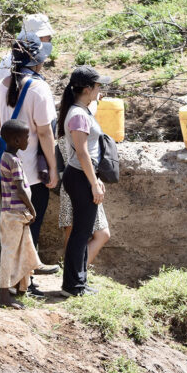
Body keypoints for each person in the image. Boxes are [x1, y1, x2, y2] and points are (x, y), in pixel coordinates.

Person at [0, 34, 60, 292]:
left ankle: (19, 281)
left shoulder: (0, 87)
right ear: (36, 62)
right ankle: (25, 282)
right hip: (31, 172)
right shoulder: (39, 89)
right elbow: (45, 133)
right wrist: (53, 168)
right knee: (32, 225)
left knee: (13, 231)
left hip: (5, 170)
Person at [57, 66, 112, 298]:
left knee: (82, 231)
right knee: (81, 233)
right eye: (98, 86)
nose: (101, 89)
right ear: (87, 89)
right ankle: (72, 285)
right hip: (80, 176)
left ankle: (79, 281)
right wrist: (93, 183)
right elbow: (81, 152)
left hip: (83, 176)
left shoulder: (82, 110)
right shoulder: (78, 114)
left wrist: (95, 179)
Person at [0, 120, 43, 309]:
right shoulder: (13, 161)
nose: (28, 139)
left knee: (24, 249)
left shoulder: (5, 157)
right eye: (26, 137)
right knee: (9, 253)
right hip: (15, 213)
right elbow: (21, 190)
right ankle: (4, 295)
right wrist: (32, 209)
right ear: (16, 140)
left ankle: (20, 287)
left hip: (13, 213)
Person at [58, 107, 111, 267]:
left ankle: (73, 273)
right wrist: (95, 181)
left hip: (74, 182)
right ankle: (75, 272)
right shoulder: (78, 125)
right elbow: (82, 156)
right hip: (83, 181)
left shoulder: (65, 126)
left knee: (73, 232)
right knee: (99, 234)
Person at [0, 14, 54, 104]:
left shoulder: (18, 58)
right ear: (39, 38)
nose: (49, 40)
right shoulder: (11, 61)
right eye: (48, 37)